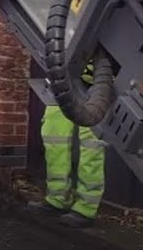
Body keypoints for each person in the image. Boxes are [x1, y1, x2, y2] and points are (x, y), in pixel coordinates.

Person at [28, 63, 106, 228]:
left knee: (91, 145)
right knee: (53, 134)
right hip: (65, 79)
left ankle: (86, 208)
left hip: (99, 87)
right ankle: (57, 198)